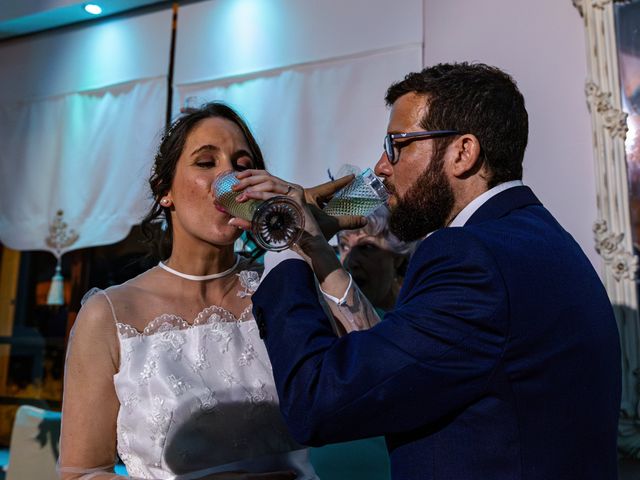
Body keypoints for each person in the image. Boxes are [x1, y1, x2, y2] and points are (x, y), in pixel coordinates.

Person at [232, 63, 622, 479]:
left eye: (397, 144)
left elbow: (317, 400)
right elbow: (391, 365)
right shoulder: (540, 240)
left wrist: (282, 234)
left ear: (462, 152)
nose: (382, 166)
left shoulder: (471, 257)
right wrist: (316, 249)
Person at [57, 102, 362, 480]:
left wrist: (312, 243)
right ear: (164, 190)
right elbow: (80, 472)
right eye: (206, 163)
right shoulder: (112, 313)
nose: (228, 180)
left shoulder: (283, 291)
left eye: (242, 165)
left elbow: (374, 375)